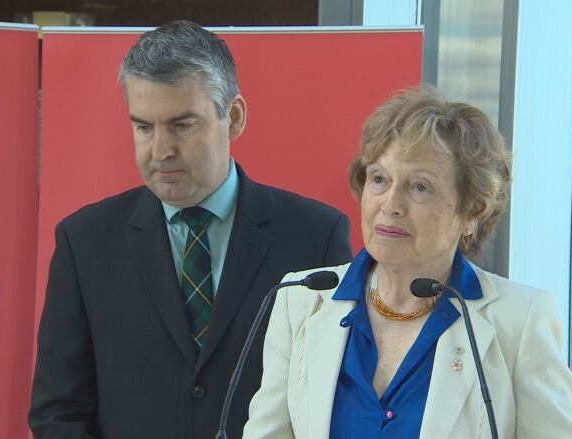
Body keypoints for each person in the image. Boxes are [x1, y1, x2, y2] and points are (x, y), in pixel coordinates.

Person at [28, 20, 352, 438]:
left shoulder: (316, 236)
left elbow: (334, 397)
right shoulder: (84, 242)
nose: (160, 150)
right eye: (144, 127)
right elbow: (58, 413)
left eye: (182, 125)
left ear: (233, 118)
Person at [243, 86, 572, 438]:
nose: (391, 204)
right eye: (379, 179)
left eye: (420, 187)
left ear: (471, 211)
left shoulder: (520, 320)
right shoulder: (301, 301)